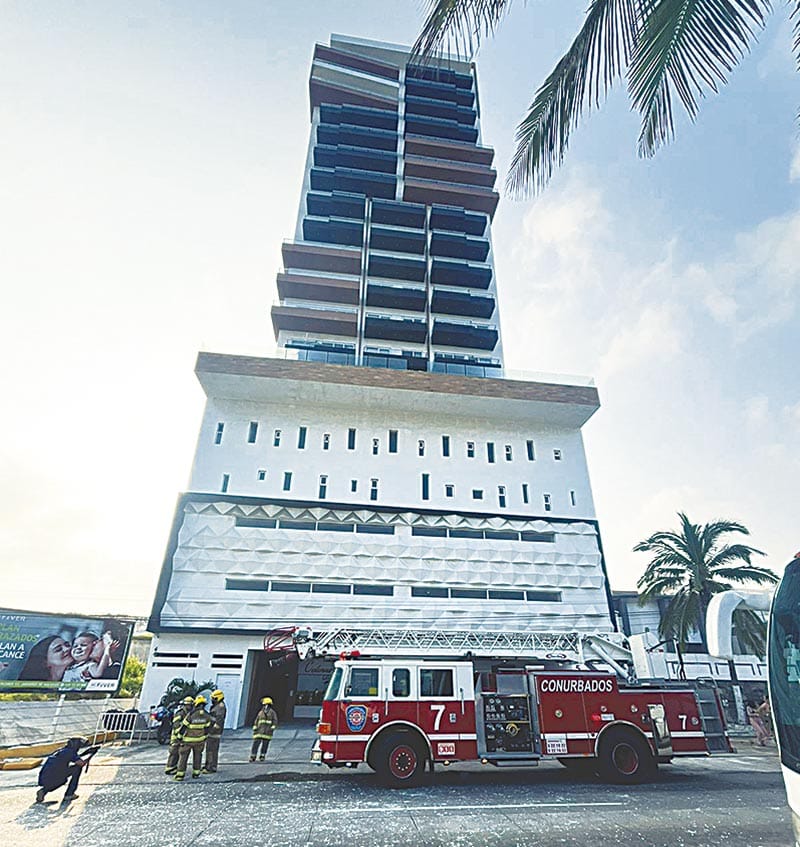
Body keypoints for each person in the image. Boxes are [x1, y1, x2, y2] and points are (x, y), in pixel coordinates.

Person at [35, 737, 93, 803]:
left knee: (62, 778)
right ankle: (69, 794)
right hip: (53, 776)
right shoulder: (70, 752)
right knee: (77, 769)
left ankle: (43, 791)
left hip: (45, 777)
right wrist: (89, 757)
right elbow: (81, 763)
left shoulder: (62, 750)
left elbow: (75, 758)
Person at [174, 695, 217, 781]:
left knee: (183, 757)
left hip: (187, 741)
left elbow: (184, 726)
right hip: (200, 741)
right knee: (198, 757)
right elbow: (208, 727)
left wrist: (179, 737)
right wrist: (205, 736)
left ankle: (180, 775)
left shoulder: (191, 714)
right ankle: (196, 773)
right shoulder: (206, 715)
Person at [165, 696, 194, 776]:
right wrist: (179, 735)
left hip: (182, 737)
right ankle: (169, 768)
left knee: (179, 752)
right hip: (176, 737)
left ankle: (174, 767)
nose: (189, 707)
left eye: (190, 705)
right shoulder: (180, 713)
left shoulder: (189, 713)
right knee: (173, 752)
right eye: (188, 705)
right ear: (184, 705)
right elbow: (176, 725)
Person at [203, 689, 227, 774]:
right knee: (210, 749)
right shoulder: (217, 706)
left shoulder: (220, 707)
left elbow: (218, 721)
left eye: (214, 698)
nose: (212, 700)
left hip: (214, 733)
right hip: (212, 731)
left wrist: (211, 730)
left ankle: (211, 767)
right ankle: (208, 765)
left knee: (211, 750)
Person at [250, 697, 278, 762]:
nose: (265, 706)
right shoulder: (260, 712)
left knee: (265, 745)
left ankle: (262, 756)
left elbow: (275, 720)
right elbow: (257, 720)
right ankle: (253, 756)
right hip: (259, 731)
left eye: (266, 704)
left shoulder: (272, 713)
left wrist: (273, 727)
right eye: (265, 705)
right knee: (255, 744)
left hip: (267, 732)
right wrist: (255, 726)